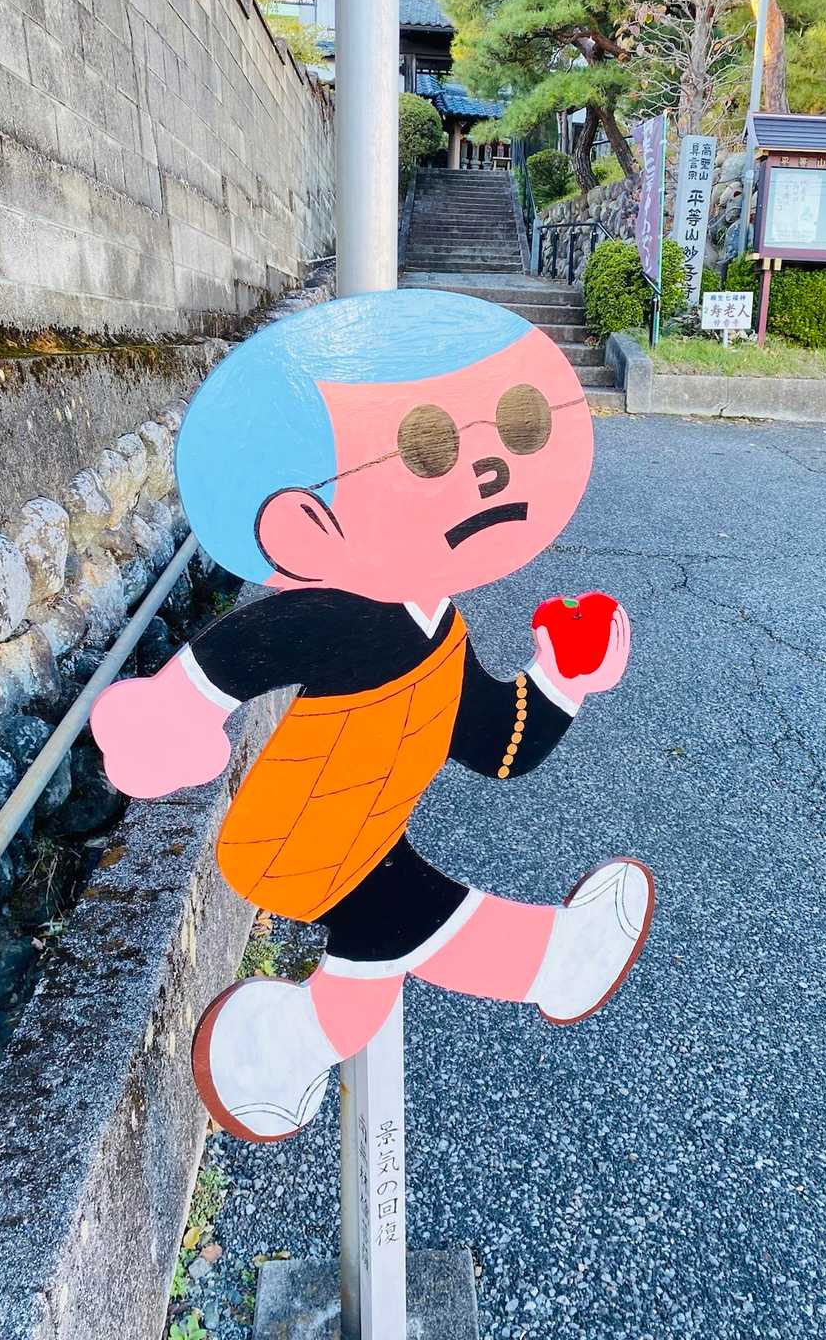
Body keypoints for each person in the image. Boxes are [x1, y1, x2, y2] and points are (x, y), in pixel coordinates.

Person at [91, 288, 654, 1143]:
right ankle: (551, 961)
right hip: (297, 836)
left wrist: (563, 679)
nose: (486, 472)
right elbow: (239, 654)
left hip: (360, 835)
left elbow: (495, 743)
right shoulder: (337, 614)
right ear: (305, 526)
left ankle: (274, 1061)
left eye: (515, 428)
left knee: (375, 953)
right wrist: (169, 716)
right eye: (426, 452)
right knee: (409, 916)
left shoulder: (439, 627)